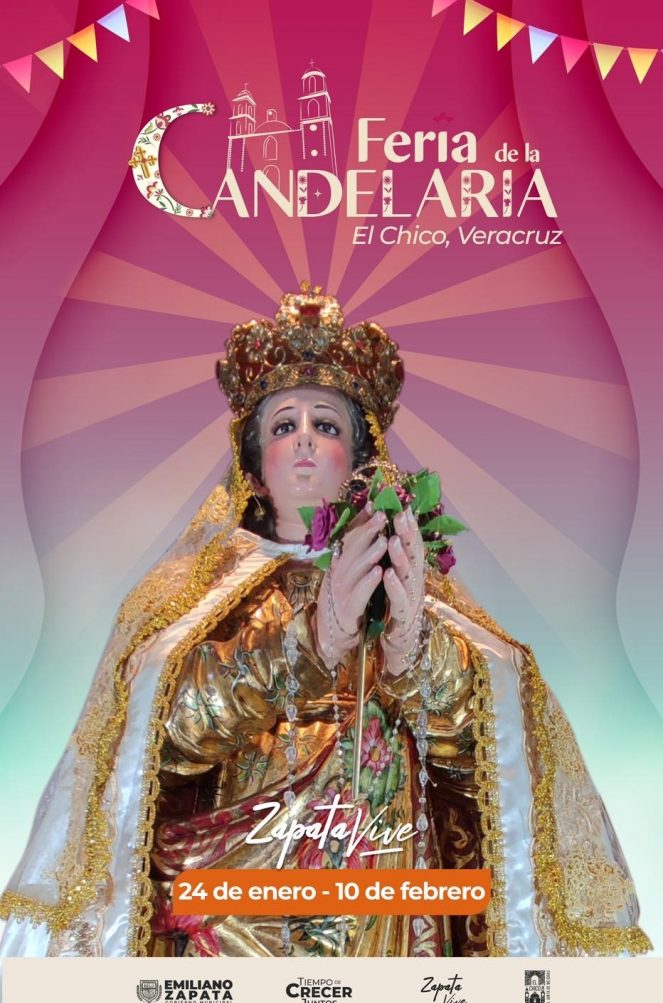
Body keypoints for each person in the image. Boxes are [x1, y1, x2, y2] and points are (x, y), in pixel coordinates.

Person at [0, 285, 649, 958]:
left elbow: (484, 755)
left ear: (362, 460)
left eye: (328, 426)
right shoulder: (200, 596)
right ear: (254, 469)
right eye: (284, 426)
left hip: (382, 898)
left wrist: (411, 650)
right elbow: (163, 736)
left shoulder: (407, 587)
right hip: (237, 906)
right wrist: (308, 643)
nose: (306, 438)